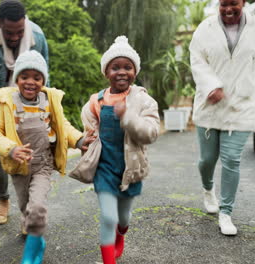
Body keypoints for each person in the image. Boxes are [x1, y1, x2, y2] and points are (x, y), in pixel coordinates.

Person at [0, 50, 94, 264]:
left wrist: (79, 141)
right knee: (26, 205)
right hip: (19, 165)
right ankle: (29, 223)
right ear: (17, 78)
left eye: (37, 77)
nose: (30, 82)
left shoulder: (49, 99)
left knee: (37, 206)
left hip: (43, 163)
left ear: (43, 80)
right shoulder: (5, 100)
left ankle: (33, 249)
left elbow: (62, 125)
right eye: (25, 76)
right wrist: (11, 149)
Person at [189, 0, 255, 235]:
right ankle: (208, 189)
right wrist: (211, 86)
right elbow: (197, 62)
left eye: (234, 4)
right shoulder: (204, 29)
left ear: (244, 3)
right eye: (223, 4)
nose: (228, 9)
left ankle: (226, 212)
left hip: (241, 106)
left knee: (231, 160)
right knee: (207, 160)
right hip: (210, 105)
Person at [81, 36, 160, 264]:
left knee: (122, 217)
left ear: (135, 71)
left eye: (128, 67)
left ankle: (121, 233)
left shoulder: (143, 101)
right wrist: (89, 135)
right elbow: (88, 121)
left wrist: (127, 116)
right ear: (107, 72)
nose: (122, 72)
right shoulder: (96, 100)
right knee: (108, 216)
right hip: (104, 167)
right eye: (115, 67)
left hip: (130, 168)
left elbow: (151, 133)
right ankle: (108, 260)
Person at [0, 0, 49, 225]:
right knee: (0, 153)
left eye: (19, 32)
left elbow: (45, 72)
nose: (15, 37)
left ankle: (28, 210)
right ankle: (3, 200)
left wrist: (41, 104)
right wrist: (1, 106)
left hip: (30, 101)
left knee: (30, 153)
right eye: (9, 32)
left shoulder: (37, 35)